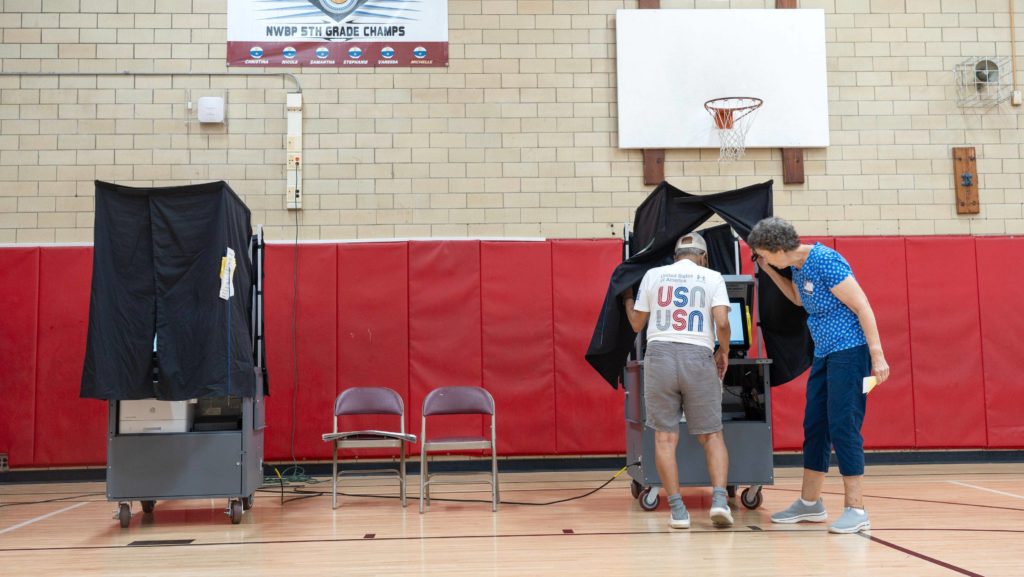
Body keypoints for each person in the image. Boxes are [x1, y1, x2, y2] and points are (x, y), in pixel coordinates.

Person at [746, 216, 890, 534]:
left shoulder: (825, 260)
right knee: (815, 426)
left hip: (850, 352)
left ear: (779, 248)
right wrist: (767, 270)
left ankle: (856, 508)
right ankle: (810, 504)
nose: (764, 259)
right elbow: (799, 299)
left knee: (843, 425)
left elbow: (862, 305)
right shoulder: (797, 266)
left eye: (765, 255)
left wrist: (877, 355)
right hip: (824, 354)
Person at [621, 232, 733, 529]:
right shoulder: (712, 277)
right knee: (712, 435)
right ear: (703, 257)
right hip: (698, 356)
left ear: (674, 256)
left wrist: (626, 296)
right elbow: (722, 322)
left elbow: (636, 323)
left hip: (659, 356)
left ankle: (677, 510)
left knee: (665, 438)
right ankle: (720, 502)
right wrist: (723, 350)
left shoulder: (653, 275)